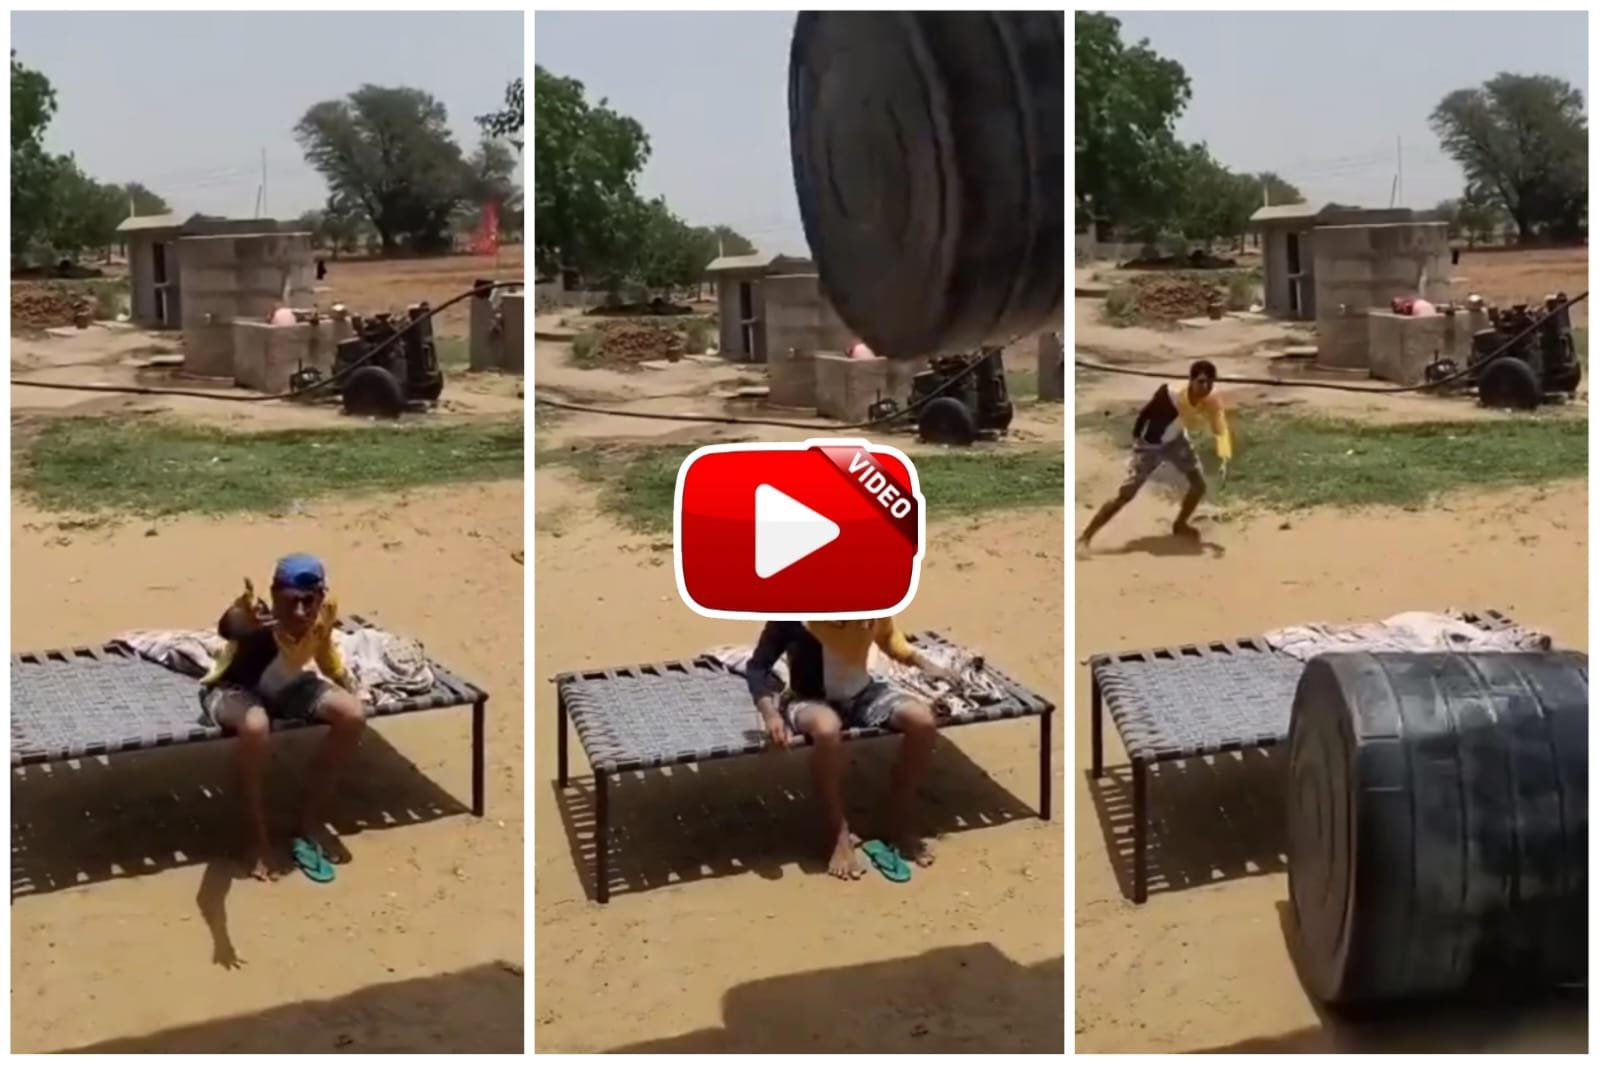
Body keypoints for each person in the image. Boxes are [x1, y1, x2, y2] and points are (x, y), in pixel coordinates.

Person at [198, 554, 369, 883]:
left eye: (309, 602)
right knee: (255, 726)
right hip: (233, 690)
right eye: (291, 602)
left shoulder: (326, 608)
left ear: (321, 596)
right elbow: (231, 624)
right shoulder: (257, 617)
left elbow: (324, 646)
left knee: (353, 714)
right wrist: (242, 618)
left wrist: (344, 679)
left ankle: (309, 821)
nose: (301, 612)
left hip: (286, 685)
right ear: (275, 594)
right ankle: (257, 838)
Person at [745, 618, 961, 879]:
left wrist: (924, 664)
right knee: (826, 730)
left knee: (922, 721)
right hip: (808, 699)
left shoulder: (871, 606)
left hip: (863, 694)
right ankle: (838, 830)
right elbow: (757, 666)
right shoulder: (794, 616)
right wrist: (770, 714)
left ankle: (897, 813)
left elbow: (890, 639)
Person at [1078, 359, 1232, 549]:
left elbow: (1220, 427)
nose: (1205, 387)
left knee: (1198, 485)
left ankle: (1180, 524)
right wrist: (1137, 441)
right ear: (1191, 381)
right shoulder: (1171, 394)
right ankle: (1085, 538)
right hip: (1150, 445)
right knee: (1126, 495)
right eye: (1201, 381)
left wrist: (1225, 456)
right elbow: (1145, 414)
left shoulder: (1211, 399)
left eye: (1210, 382)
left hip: (1176, 440)